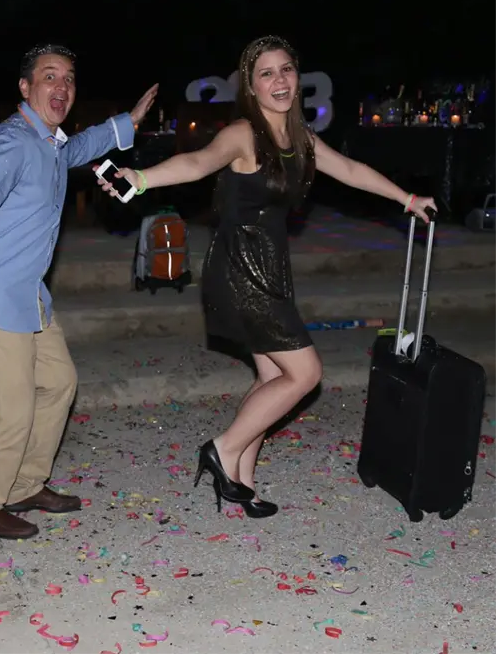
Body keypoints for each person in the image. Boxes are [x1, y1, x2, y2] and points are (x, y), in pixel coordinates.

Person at [98, 36, 436, 518]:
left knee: (272, 374)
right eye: (266, 73)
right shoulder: (243, 134)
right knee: (307, 373)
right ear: (252, 88)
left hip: (271, 268)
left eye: (286, 71)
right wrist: (141, 178)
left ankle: (242, 481)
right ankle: (222, 449)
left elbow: (352, 170)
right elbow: (197, 163)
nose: (279, 81)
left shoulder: (302, 139)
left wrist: (408, 200)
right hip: (239, 269)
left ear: (297, 79)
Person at [0, 43, 158, 539]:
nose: (61, 87)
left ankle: (23, 485)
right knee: (12, 406)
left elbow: (80, 148)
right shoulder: (14, 142)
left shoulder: (51, 141)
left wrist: (129, 121)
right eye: (49, 77)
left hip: (28, 294)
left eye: (69, 79)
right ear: (25, 87)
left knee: (58, 383)